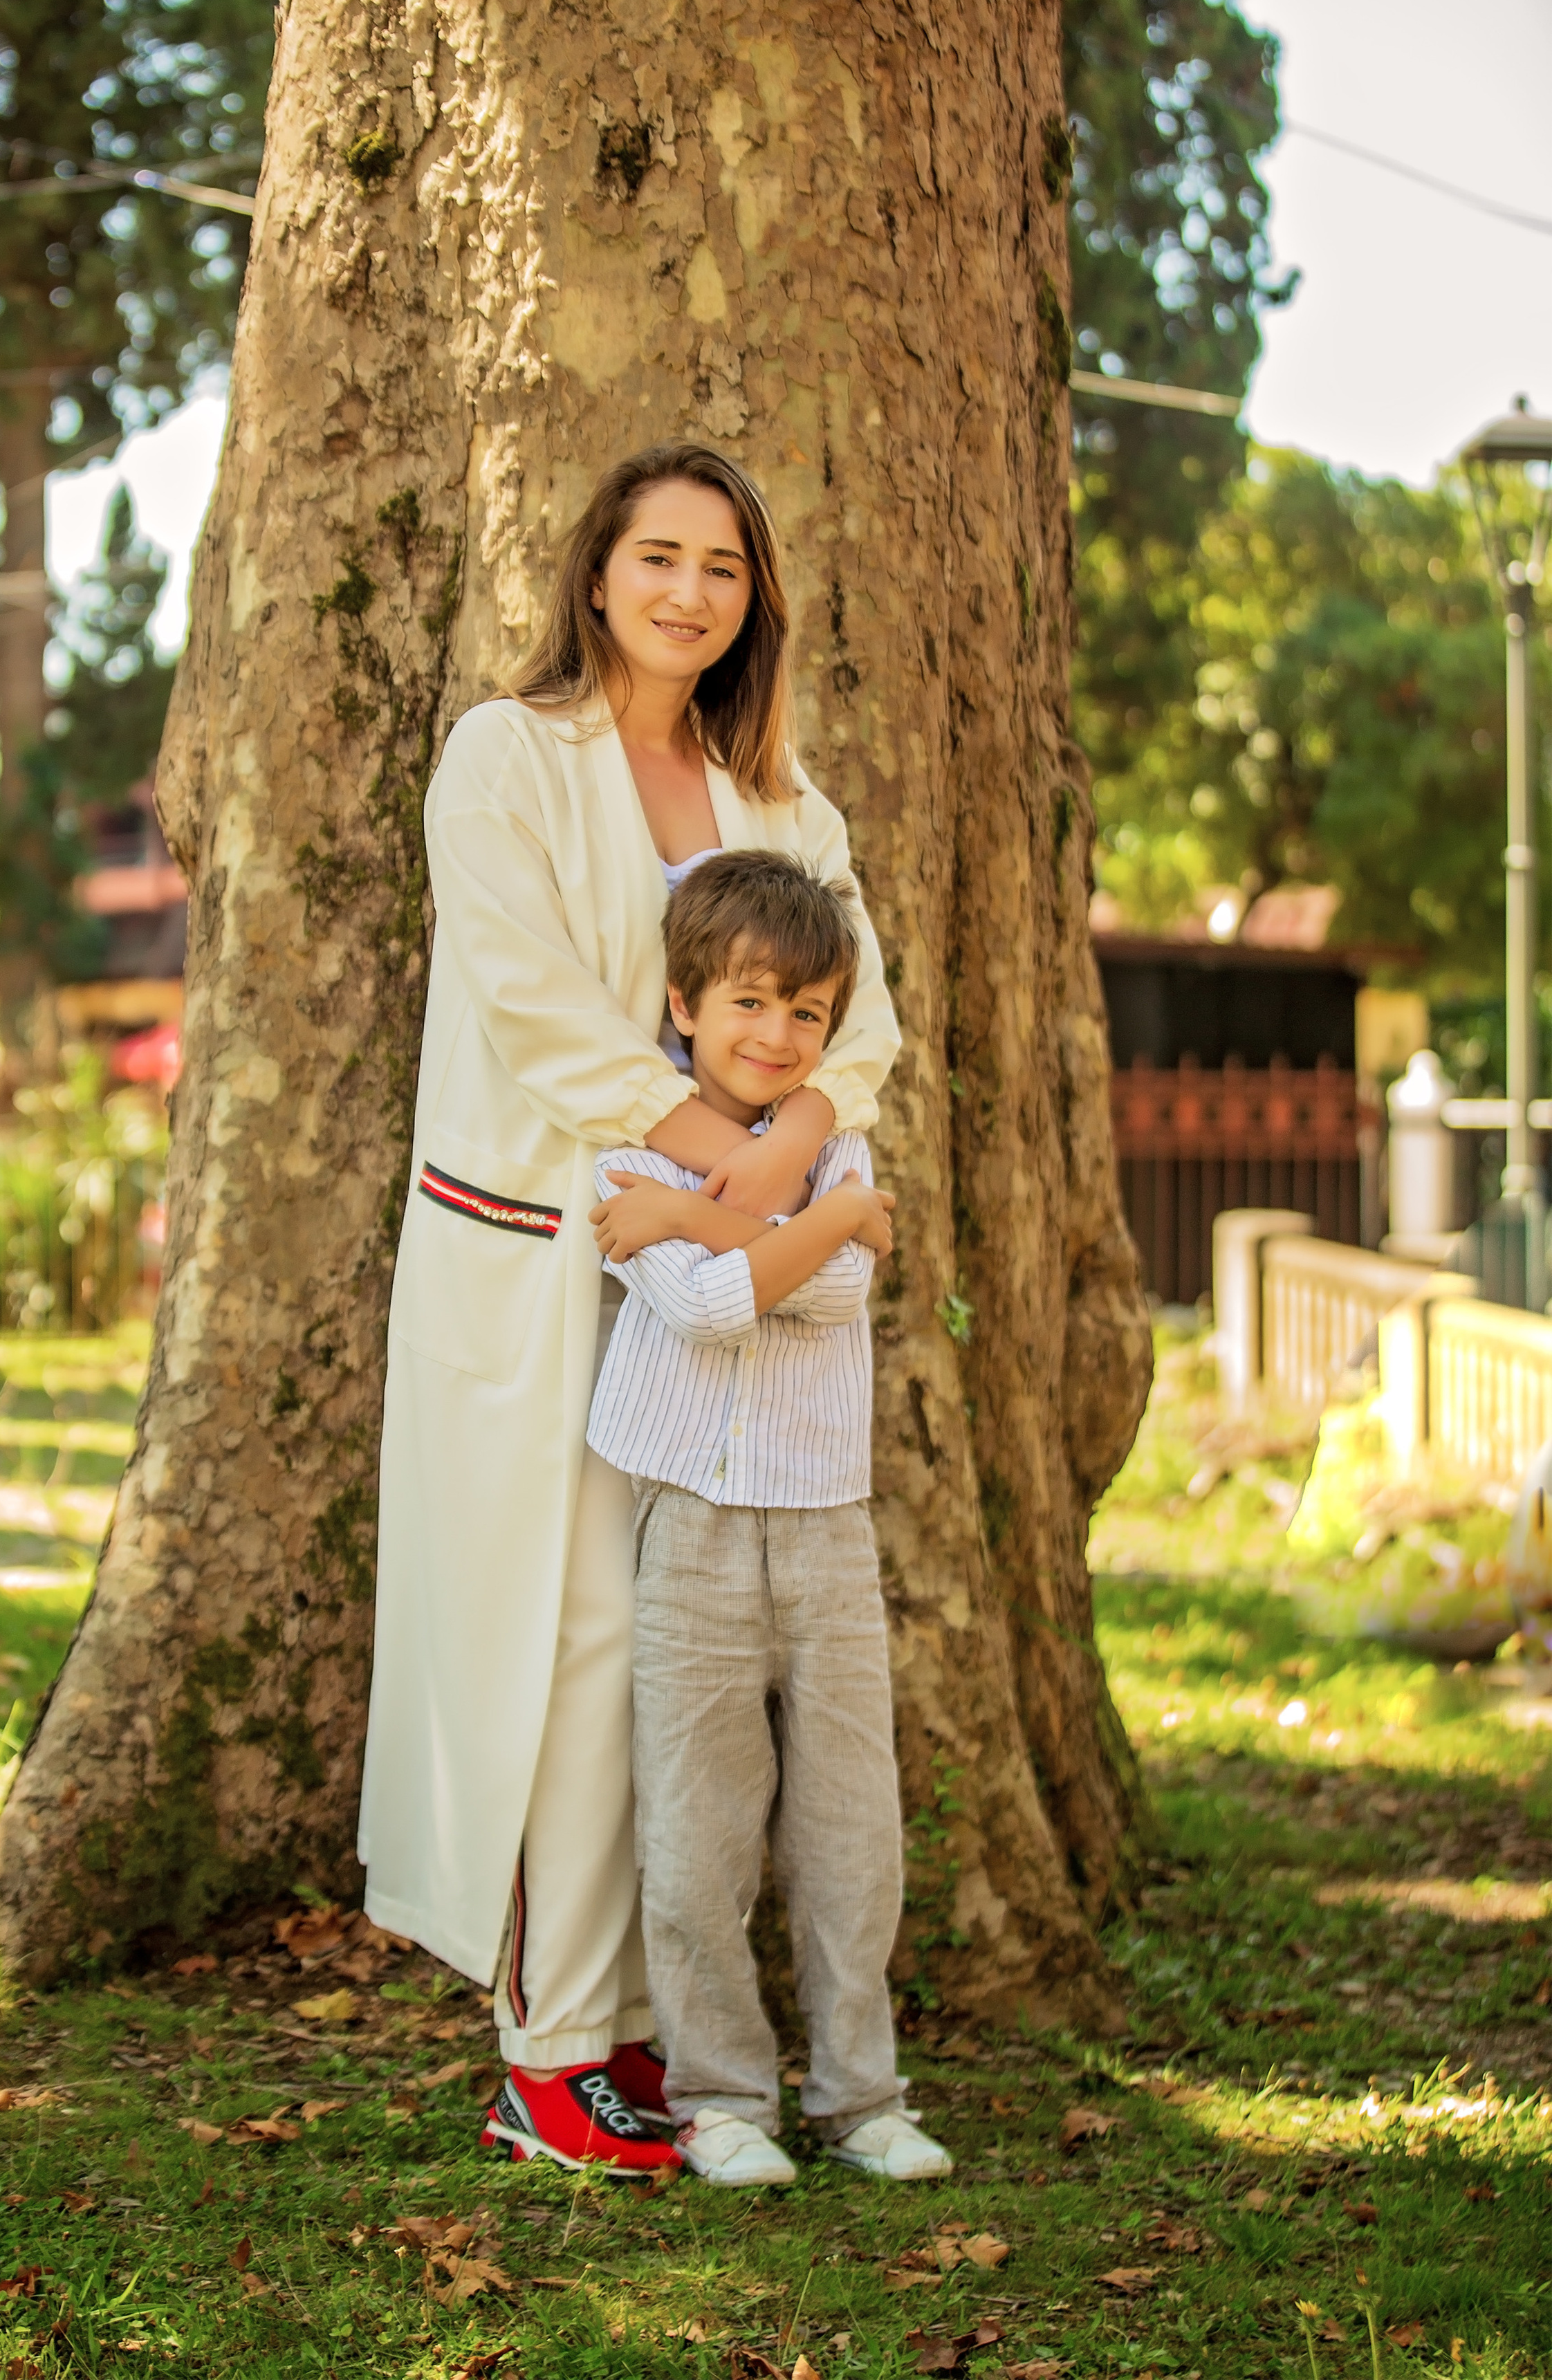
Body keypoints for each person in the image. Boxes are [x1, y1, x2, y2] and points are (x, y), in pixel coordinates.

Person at [357, 443, 901, 2174]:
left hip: (720, 1286)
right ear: (595, 573)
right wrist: (719, 1149)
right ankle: (553, 2049)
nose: (686, 591)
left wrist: (782, 1142)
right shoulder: (502, 758)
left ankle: (674, 2029)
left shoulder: (788, 808)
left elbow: (861, 1023)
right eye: (655, 556)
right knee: (573, 1643)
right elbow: (529, 1005)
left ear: (754, 602)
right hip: (540, 1260)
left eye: (721, 568)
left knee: (688, 1668)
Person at [584, 850, 952, 2187]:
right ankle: (721, 2096)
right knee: (696, 1830)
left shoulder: (837, 1143)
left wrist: (699, 1222)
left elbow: (830, 1301)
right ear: (684, 1003)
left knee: (854, 1825)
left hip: (825, 1526)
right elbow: (707, 1308)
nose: (776, 1035)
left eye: (807, 1013)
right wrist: (835, 1220)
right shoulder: (628, 1151)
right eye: (748, 1003)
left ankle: (863, 2098)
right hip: (688, 1525)